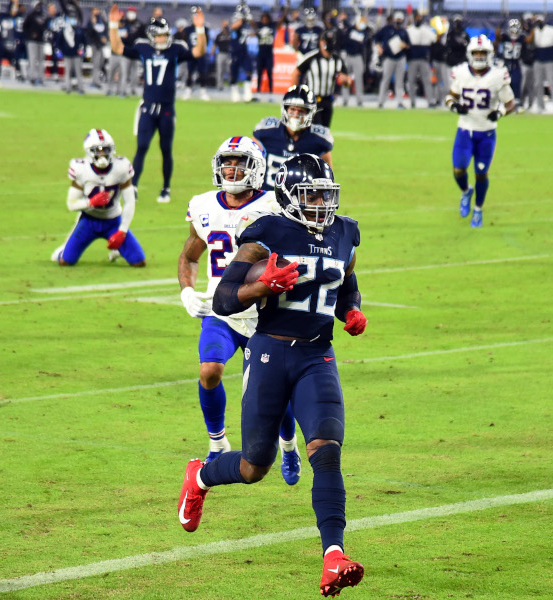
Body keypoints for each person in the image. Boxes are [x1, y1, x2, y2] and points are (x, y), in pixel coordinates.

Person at [178, 153, 367, 598]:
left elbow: (345, 282)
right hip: (270, 353)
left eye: (327, 194)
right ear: (290, 196)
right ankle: (200, 477)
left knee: (326, 448)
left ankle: (333, 555)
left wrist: (352, 310)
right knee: (252, 466)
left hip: (317, 357)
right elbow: (225, 299)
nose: (322, 203)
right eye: (313, 194)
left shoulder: (344, 232)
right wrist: (265, 286)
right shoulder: (267, 233)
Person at [179, 136, 303, 483]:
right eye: (227, 162)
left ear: (258, 167)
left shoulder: (275, 206)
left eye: (240, 163)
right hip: (222, 311)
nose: (232, 169)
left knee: (271, 391)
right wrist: (187, 290)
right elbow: (190, 254)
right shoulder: (203, 205)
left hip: (264, 314)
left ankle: (289, 446)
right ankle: (217, 443)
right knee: (209, 371)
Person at [108, 4, 206, 204]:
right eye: (159, 35)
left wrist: (200, 29)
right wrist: (113, 25)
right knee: (142, 146)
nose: (163, 38)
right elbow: (117, 47)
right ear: (152, 36)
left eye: (164, 35)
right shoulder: (143, 48)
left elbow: (198, 51)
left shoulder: (176, 49)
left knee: (165, 149)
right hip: (148, 107)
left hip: (167, 109)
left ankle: (166, 188)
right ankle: (132, 186)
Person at [445, 34, 515, 228]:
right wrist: (454, 106)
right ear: (470, 54)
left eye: (482, 52)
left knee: (481, 174)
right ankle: (466, 191)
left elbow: (510, 103)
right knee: (458, 169)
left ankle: (478, 209)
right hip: (465, 131)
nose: (478, 56)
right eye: (475, 52)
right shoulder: (461, 73)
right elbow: (450, 97)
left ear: (489, 54)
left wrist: (499, 112)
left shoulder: (497, 75)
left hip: (487, 134)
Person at [51, 129, 145, 267]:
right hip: (89, 221)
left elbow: (129, 202)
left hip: (113, 221)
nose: (102, 154)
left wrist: (122, 231)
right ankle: (63, 250)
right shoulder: (81, 169)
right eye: (98, 150)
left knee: (139, 262)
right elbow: (71, 204)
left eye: (106, 150)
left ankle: (117, 251)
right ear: (89, 152)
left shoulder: (121, 167)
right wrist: (90, 202)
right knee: (65, 261)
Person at [254, 84, 335, 190]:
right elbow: (251, 167)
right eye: (292, 110)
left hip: (300, 201)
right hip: (267, 198)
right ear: (285, 110)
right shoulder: (266, 132)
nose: (296, 115)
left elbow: (327, 179)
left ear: (310, 113)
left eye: (301, 111)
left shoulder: (319, 141)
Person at [292, 29, 351, 127]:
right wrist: (295, 94)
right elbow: (295, 73)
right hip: (312, 100)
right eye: (326, 42)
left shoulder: (337, 60)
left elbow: (346, 80)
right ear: (321, 42)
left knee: (325, 131)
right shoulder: (312, 57)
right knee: (316, 129)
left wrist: (346, 81)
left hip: (328, 101)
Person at [375, 11, 410, 109]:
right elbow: (376, 38)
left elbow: (408, 45)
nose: (398, 21)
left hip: (400, 58)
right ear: (394, 19)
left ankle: (399, 102)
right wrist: (379, 47)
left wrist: (405, 46)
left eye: (400, 20)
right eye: (397, 19)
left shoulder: (403, 31)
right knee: (385, 79)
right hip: (389, 58)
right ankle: (381, 102)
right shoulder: (387, 29)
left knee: (399, 81)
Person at [527, 14, 553, 113]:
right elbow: (530, 44)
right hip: (538, 57)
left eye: (540, 22)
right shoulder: (535, 31)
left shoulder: (552, 30)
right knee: (538, 83)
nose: (539, 24)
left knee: (552, 82)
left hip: (549, 58)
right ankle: (540, 105)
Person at [340, 13, 370, 107]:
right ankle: (345, 99)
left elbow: (362, 45)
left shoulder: (365, 33)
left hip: (357, 57)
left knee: (359, 79)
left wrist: (354, 42)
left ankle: (359, 100)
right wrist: (356, 42)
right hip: (348, 56)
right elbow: (345, 41)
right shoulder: (351, 29)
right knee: (346, 78)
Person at [406, 11, 434, 108]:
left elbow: (434, 39)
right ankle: (412, 102)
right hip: (412, 59)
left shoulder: (426, 29)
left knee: (427, 81)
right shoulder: (409, 30)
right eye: (417, 17)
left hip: (423, 59)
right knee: (411, 81)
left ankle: (430, 101)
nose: (418, 19)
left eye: (420, 17)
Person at [57, 0, 85, 93]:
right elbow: (59, 41)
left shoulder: (79, 30)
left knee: (78, 72)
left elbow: (84, 42)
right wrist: (60, 50)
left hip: (76, 54)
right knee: (68, 72)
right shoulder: (65, 29)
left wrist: (82, 50)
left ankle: (81, 88)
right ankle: (68, 88)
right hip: (67, 53)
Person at [228, 6, 254, 103]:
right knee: (234, 73)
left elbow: (253, 30)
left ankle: (247, 93)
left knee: (249, 70)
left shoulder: (246, 24)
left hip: (244, 51)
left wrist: (248, 18)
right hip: (235, 51)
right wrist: (242, 18)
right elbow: (234, 26)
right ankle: (234, 93)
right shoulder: (237, 19)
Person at [497, 19, 524, 105]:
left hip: (516, 63)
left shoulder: (521, 38)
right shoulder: (505, 37)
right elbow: (498, 36)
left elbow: (529, 39)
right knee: (504, 82)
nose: (514, 31)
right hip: (506, 63)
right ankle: (503, 101)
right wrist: (499, 26)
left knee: (516, 82)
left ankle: (516, 102)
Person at [22, 0, 47, 85]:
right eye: (38, 5)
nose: (39, 7)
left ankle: (40, 77)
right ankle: (32, 77)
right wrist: (31, 34)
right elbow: (24, 27)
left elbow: (45, 27)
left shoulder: (43, 16)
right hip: (32, 41)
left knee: (41, 60)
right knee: (32, 59)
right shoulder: (30, 15)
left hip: (41, 40)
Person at [86, 6, 109, 88]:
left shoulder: (101, 20)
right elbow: (89, 33)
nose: (96, 11)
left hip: (101, 45)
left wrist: (105, 38)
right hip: (95, 45)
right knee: (96, 64)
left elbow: (105, 30)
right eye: (95, 10)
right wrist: (92, 24)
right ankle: (95, 82)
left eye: (97, 9)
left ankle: (98, 80)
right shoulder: (91, 21)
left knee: (101, 63)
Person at [255, 12, 276, 93]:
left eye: (266, 19)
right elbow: (252, 23)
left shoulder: (272, 26)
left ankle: (271, 90)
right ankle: (258, 89)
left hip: (269, 53)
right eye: (263, 19)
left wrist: (286, 9)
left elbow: (281, 21)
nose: (264, 20)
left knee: (269, 72)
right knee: (259, 72)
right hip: (261, 52)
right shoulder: (259, 26)